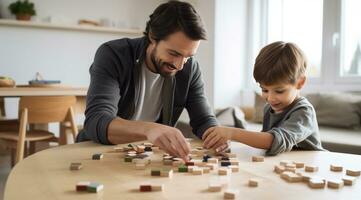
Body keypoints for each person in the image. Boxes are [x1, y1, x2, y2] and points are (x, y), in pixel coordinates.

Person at [76, 1, 221, 160]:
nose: (180, 66)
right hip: (98, 154)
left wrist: (216, 136)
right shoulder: (113, 54)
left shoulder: (189, 68)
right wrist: (149, 130)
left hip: (147, 157)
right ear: (153, 37)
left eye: (188, 57)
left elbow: (203, 120)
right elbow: (97, 120)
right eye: (173, 53)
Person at [203, 41, 324, 155]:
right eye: (264, 90)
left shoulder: (304, 112)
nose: (270, 98)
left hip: (312, 165)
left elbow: (274, 141)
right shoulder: (269, 108)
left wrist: (231, 133)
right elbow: (264, 144)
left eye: (279, 91)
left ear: (300, 82)